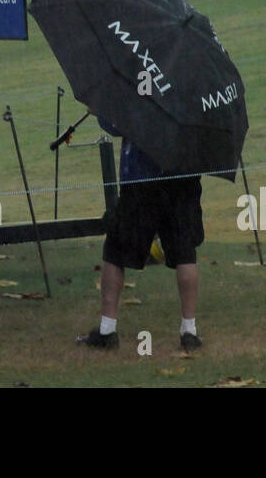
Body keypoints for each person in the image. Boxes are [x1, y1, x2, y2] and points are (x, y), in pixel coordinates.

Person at [78, 115, 204, 352]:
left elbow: (116, 124)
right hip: (183, 173)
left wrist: (101, 110)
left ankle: (107, 330)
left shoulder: (136, 79)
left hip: (140, 175)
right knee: (185, 252)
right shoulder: (191, 82)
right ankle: (189, 331)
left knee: (116, 251)